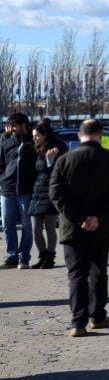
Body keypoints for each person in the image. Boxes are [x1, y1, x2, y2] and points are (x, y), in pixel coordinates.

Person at [49, 119, 109, 338]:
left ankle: (78, 322)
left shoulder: (64, 160)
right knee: (98, 272)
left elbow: (56, 194)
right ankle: (98, 316)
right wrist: (99, 217)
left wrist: (80, 218)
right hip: (101, 227)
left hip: (72, 228)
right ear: (101, 134)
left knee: (76, 274)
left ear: (79, 135)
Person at [29, 122, 67, 269]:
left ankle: (50, 258)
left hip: (51, 191)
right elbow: (36, 171)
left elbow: (59, 173)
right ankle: (42, 255)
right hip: (37, 191)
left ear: (44, 135)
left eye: (37, 135)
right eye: (33, 136)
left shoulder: (56, 149)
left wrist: (50, 163)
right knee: (35, 228)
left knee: (50, 227)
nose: (35, 138)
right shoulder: (36, 148)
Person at [1, 113, 37, 269]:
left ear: (24, 125)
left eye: (16, 125)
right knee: (7, 225)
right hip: (6, 189)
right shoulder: (5, 143)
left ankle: (24, 257)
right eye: (11, 125)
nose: (13, 128)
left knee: (27, 226)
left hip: (26, 190)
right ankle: (12, 256)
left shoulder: (33, 143)